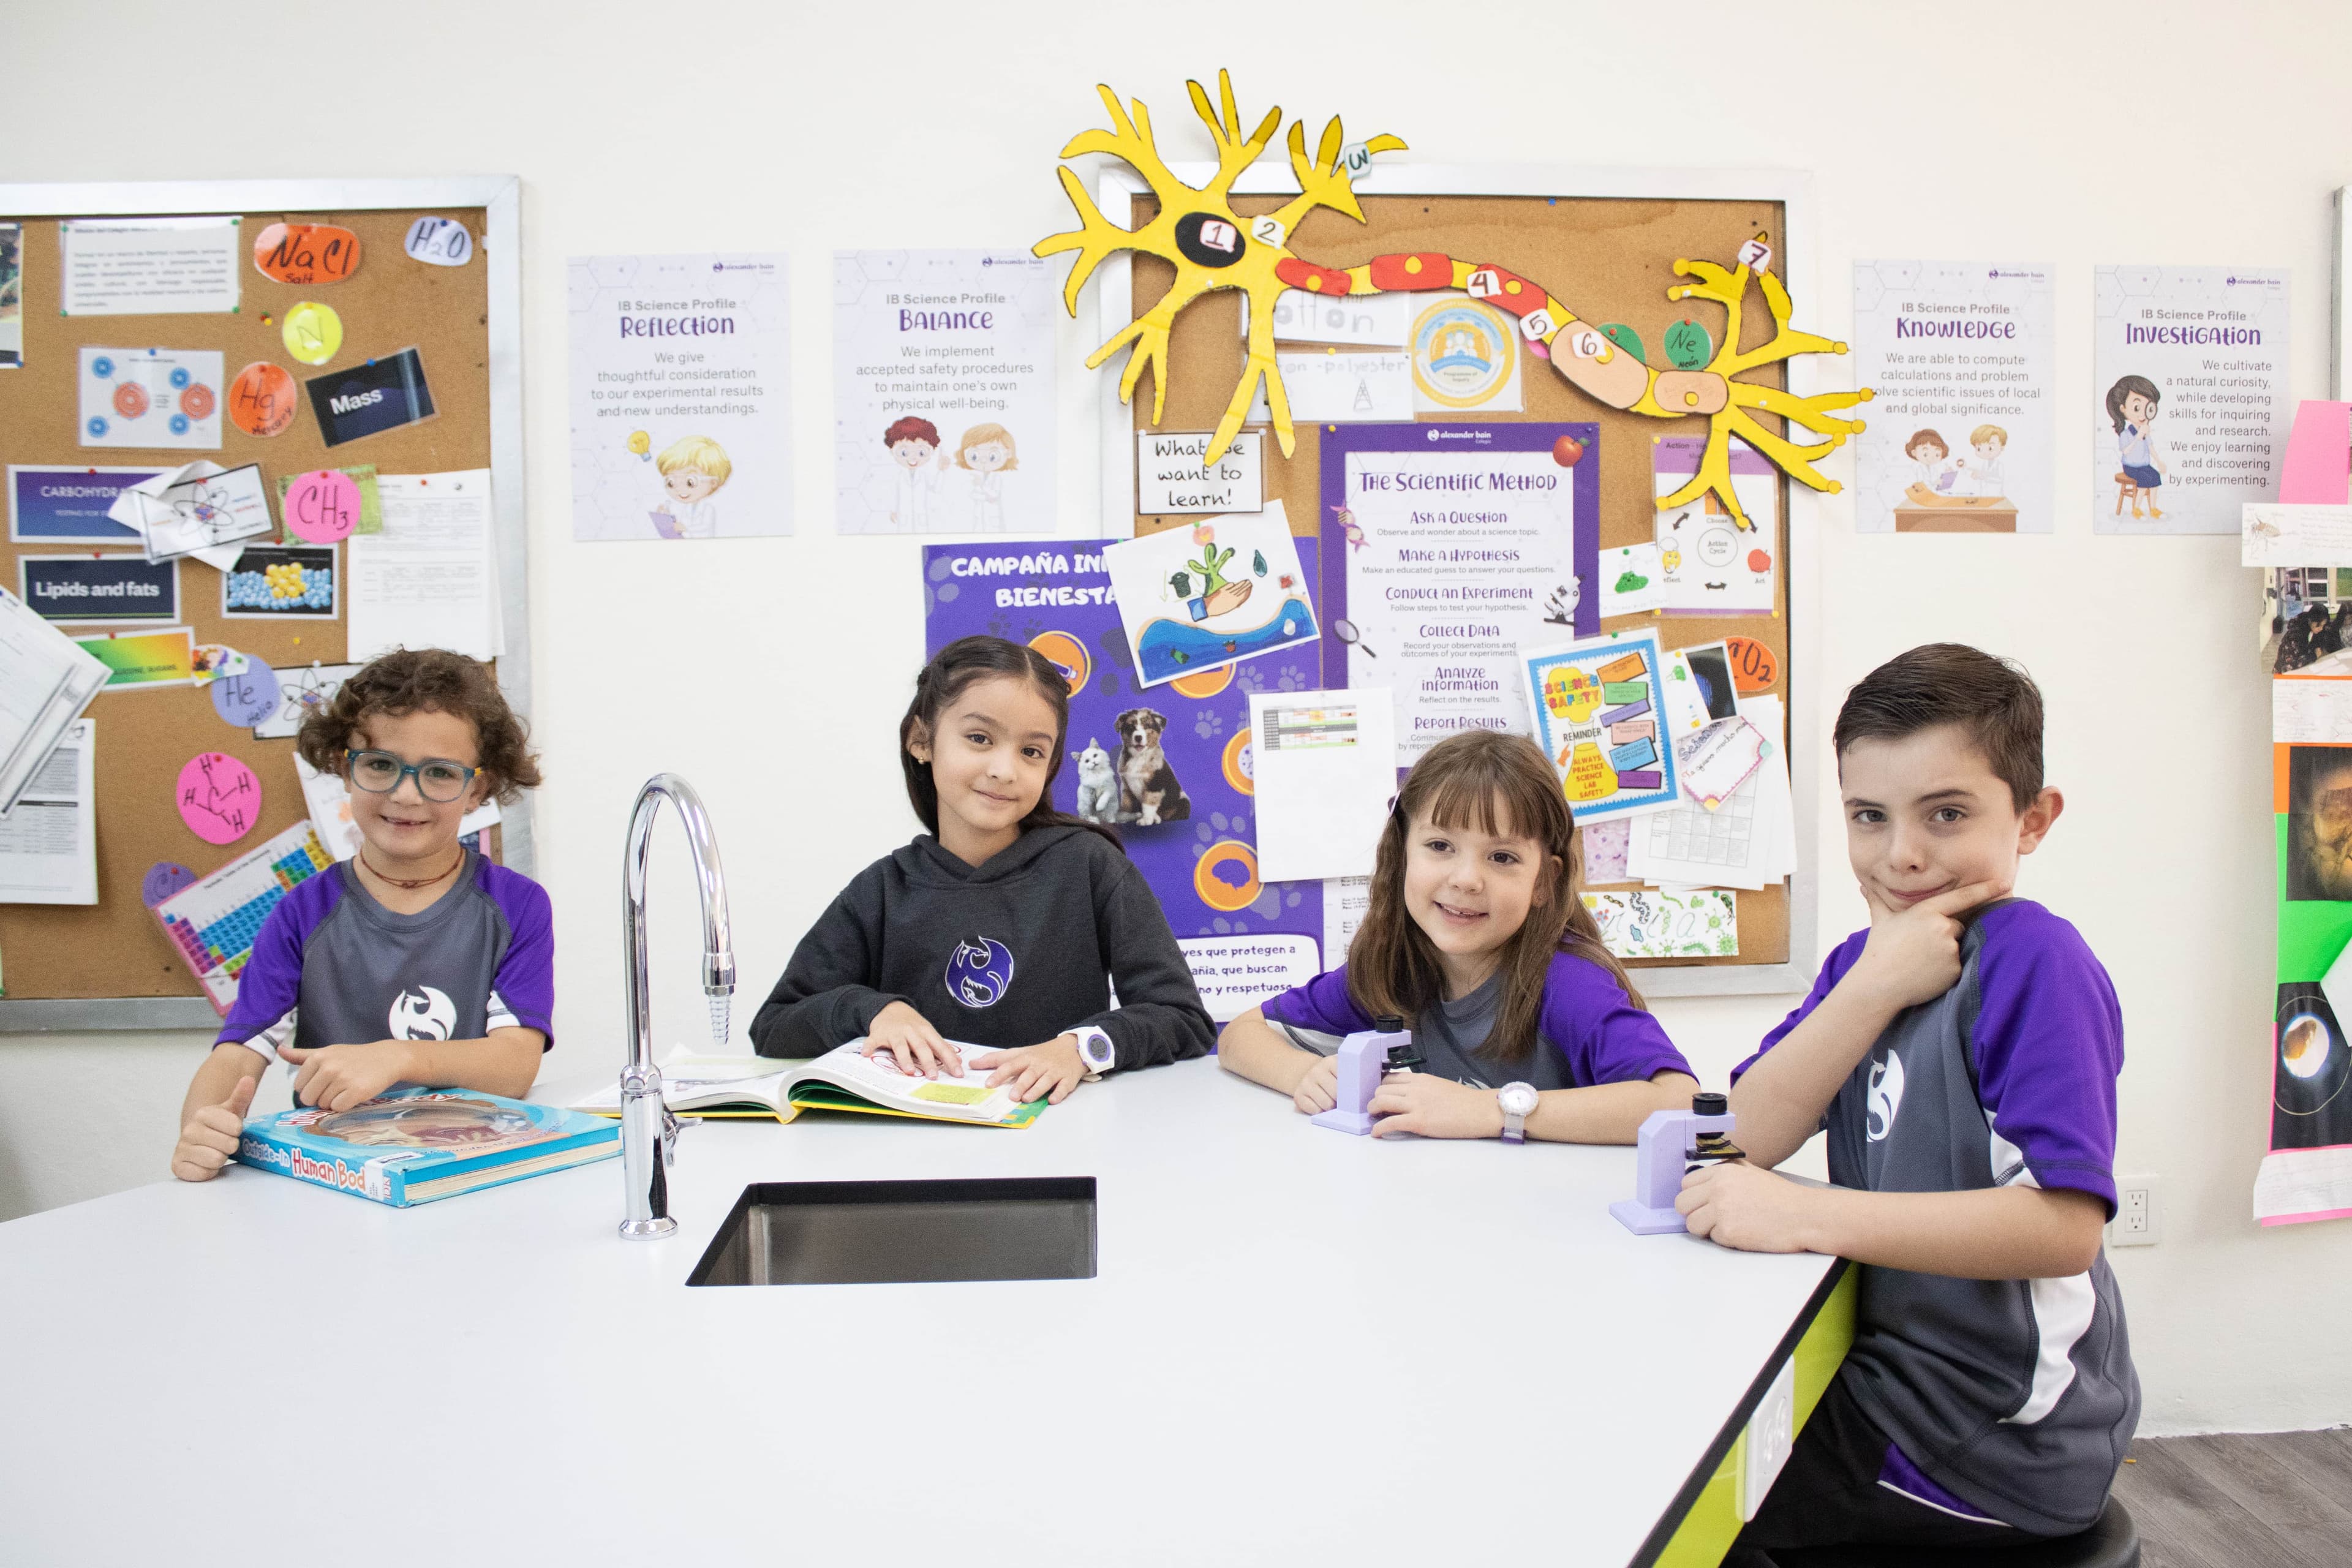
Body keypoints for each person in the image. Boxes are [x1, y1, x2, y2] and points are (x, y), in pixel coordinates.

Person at [1683, 644, 2138, 1559]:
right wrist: (1868, 990)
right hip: (1891, 1382)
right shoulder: (1866, 963)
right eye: (1869, 817)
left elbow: (2063, 1228)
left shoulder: (2033, 962)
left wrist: (1809, 1215)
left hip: (1992, 1439)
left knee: (1683, 1515)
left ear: (2033, 819)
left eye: (1948, 814)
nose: (1903, 855)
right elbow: (1754, 1133)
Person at [750, 635, 1213, 1102]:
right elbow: (774, 1028)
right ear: (921, 741)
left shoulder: (1090, 866)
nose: (1004, 769)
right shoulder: (882, 890)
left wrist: (1080, 1049)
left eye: (1031, 752)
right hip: (913, 1150)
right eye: (979, 738)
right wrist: (875, 1011)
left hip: (1058, 1139)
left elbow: (1182, 1018)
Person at [170, 649, 552, 1182]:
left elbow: (515, 1065)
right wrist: (201, 1129)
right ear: (343, 768)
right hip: (337, 1179)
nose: (404, 793)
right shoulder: (301, 912)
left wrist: (397, 1058)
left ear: (477, 790)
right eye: (380, 764)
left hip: (468, 1172)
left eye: (440, 773)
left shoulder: (517, 905)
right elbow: (238, 1054)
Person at [1217, 729, 1697, 1140]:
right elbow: (1242, 1034)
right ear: (1402, 854)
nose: (1467, 879)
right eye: (1440, 846)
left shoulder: (1567, 983)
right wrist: (1304, 1075)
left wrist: (1491, 1111)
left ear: (1544, 883)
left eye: (1502, 857)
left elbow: (1680, 1102)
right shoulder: (1392, 968)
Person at [2106, 375, 2167, 519]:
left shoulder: (2145, 430)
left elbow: (2151, 447)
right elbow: (2126, 451)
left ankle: (2153, 508)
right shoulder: (2126, 434)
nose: (2142, 414)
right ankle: (2137, 509)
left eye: (2148, 408)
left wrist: (2159, 461)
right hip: (2131, 467)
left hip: (2144, 465)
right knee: (2145, 479)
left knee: (2155, 476)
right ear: (2123, 409)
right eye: (2137, 408)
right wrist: (2137, 438)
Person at [650, 434, 731, 539]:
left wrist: (685, 528)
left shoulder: (708, 509)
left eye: (690, 482)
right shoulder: (684, 507)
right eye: (671, 482)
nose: (679, 489)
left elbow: (705, 529)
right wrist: (665, 517)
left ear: (713, 483)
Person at [954, 422, 1019, 530]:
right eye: (974, 455)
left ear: (1008, 454)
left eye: (993, 456)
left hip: (993, 519)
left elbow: (994, 495)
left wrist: (982, 487)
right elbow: (973, 495)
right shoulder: (973, 477)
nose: (983, 461)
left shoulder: (997, 478)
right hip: (978, 519)